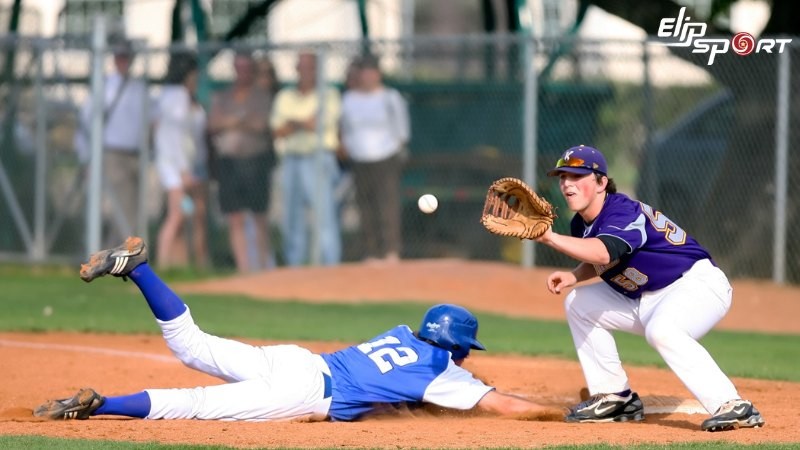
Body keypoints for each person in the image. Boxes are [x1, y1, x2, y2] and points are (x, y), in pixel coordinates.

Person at [33, 237, 558, 422]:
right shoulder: (442, 372)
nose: (466, 359)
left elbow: (401, 388)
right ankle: (101, 405)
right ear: (457, 348)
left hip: (296, 359)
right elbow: (504, 406)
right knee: (195, 404)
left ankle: (139, 269)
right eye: (465, 351)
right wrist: (560, 414)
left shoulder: (402, 332)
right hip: (305, 392)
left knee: (192, 345)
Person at [533, 144, 765, 432]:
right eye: (563, 177)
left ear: (602, 182)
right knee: (579, 302)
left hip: (695, 285)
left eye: (577, 176)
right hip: (647, 297)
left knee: (662, 330)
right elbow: (607, 257)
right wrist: (575, 276)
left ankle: (733, 405)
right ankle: (615, 399)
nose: (567, 183)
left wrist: (550, 238)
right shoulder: (581, 224)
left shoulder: (622, 211)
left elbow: (604, 252)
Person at [74, 37, 151, 245]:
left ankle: (118, 251)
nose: (123, 61)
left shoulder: (139, 88)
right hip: (113, 154)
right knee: (122, 209)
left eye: (127, 57)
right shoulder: (105, 87)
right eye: (120, 57)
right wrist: (85, 156)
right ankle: (120, 252)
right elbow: (85, 122)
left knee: (132, 208)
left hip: (136, 154)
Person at [271, 52, 342, 266]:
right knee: (291, 216)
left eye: (310, 66)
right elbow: (278, 131)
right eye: (302, 66)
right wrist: (303, 122)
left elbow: (317, 125)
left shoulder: (329, 94)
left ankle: (330, 264)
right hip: (291, 159)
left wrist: (293, 123)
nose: (306, 71)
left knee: (324, 215)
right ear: (296, 69)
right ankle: (294, 266)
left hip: (318, 157)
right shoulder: (285, 96)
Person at [339, 55, 410, 264]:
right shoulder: (349, 99)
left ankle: (391, 250)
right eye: (364, 72)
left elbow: (402, 130)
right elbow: (344, 129)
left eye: (371, 72)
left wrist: (396, 150)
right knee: (365, 206)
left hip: (386, 157)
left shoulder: (390, 97)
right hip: (359, 159)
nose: (368, 77)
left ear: (378, 74)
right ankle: (371, 252)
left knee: (387, 204)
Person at [208, 51, 274, 273]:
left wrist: (230, 121)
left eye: (247, 68)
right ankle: (244, 269)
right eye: (239, 67)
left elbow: (260, 124)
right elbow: (214, 123)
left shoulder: (261, 96)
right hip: (229, 164)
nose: (243, 72)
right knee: (234, 216)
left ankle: (262, 267)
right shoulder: (224, 95)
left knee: (259, 216)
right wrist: (242, 119)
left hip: (255, 162)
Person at [154, 52, 209, 269]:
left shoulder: (179, 97)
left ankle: (181, 264)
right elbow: (176, 138)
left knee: (188, 214)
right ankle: (163, 263)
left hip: (184, 165)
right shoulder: (177, 97)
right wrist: (184, 171)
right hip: (175, 168)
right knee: (177, 215)